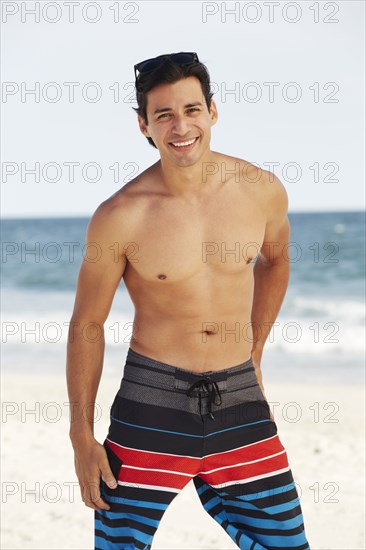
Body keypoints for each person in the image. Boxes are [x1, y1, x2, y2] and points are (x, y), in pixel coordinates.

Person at [66, 52, 310, 550]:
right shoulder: (120, 216)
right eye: (164, 115)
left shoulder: (260, 190)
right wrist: (80, 437)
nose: (181, 126)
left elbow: (276, 260)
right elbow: (87, 324)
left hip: (241, 398)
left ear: (212, 112)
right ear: (144, 127)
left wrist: (255, 350)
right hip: (150, 402)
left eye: (192, 110)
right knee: (119, 545)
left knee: (287, 542)